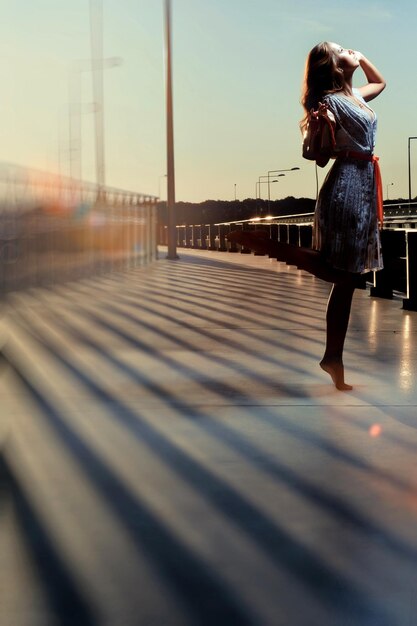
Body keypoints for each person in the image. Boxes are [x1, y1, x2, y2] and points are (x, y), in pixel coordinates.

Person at [227, 42, 386, 390]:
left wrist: (360, 59)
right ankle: (269, 246)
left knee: (346, 280)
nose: (351, 49)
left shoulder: (356, 95)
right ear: (331, 65)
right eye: (342, 49)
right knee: (341, 273)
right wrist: (319, 123)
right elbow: (319, 157)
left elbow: (381, 83)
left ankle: (333, 358)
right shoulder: (328, 103)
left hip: (363, 187)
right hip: (345, 188)